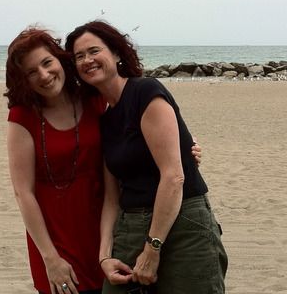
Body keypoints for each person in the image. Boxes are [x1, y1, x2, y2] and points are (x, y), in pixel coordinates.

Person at [4, 27, 202, 294]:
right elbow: (23, 192)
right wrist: (50, 258)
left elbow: (135, 139)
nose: (44, 75)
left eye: (47, 62)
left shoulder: (94, 101)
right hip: (54, 237)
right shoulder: (23, 116)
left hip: (106, 230)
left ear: (61, 61)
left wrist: (186, 148)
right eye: (31, 72)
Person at [65, 21, 228, 294]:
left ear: (116, 53)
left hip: (183, 221)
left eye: (94, 51)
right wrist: (104, 256)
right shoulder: (104, 119)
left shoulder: (145, 92)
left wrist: (153, 249)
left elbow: (173, 176)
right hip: (131, 224)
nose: (87, 60)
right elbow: (111, 197)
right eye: (79, 56)